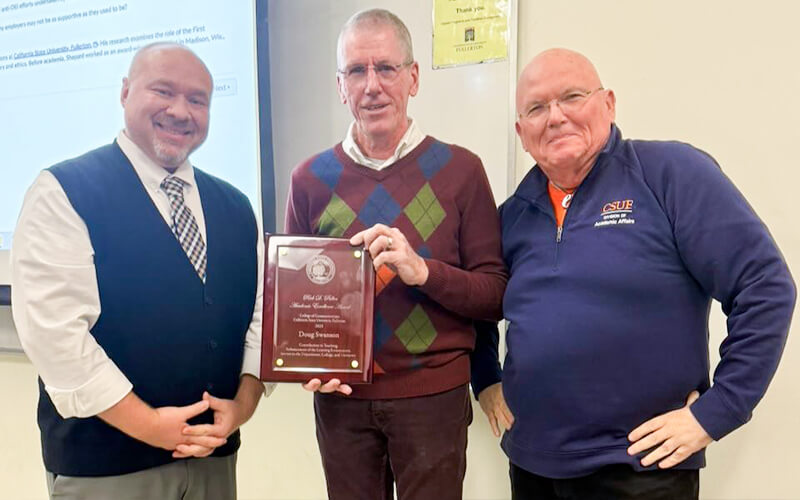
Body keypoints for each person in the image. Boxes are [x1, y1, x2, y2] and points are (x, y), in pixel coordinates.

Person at [472, 48, 796, 499]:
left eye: (572, 96)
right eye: (537, 108)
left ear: (608, 104)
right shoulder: (511, 215)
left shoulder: (671, 175)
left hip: (642, 470)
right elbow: (478, 301)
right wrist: (485, 377)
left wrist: (717, 411)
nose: (556, 116)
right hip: (533, 465)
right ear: (521, 132)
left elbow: (765, 286)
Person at [11, 42, 272, 500]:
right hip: (107, 469)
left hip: (215, 461)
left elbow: (257, 320)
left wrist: (243, 406)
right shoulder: (64, 191)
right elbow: (57, 338)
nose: (180, 111)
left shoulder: (237, 206)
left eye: (198, 100)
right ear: (126, 92)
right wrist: (151, 425)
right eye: (163, 91)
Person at [284, 9, 507, 500]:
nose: (372, 86)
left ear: (413, 78)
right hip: (342, 405)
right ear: (340, 86)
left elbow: (495, 295)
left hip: (434, 397)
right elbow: (296, 310)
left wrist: (422, 271)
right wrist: (306, 363)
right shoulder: (308, 180)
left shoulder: (462, 171)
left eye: (385, 68)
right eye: (356, 71)